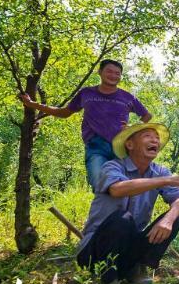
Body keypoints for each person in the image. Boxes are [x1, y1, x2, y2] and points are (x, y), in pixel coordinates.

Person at [76, 122, 179, 284]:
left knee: (177, 216)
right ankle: (107, 276)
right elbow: (117, 189)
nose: (155, 141)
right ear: (130, 144)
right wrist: (168, 180)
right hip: (94, 252)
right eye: (148, 136)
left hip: (128, 249)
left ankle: (134, 269)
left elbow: (178, 199)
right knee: (123, 219)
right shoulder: (112, 166)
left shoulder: (160, 171)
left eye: (157, 138)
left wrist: (168, 220)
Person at [20, 59, 152, 192]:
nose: (113, 75)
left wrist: (134, 128)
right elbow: (64, 112)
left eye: (117, 73)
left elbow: (147, 116)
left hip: (122, 146)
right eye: (109, 71)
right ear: (100, 72)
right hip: (95, 145)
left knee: (125, 185)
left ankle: (124, 211)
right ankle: (107, 210)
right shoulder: (86, 93)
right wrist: (33, 104)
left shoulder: (127, 97)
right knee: (99, 183)